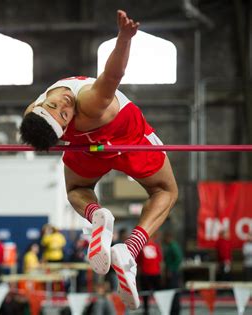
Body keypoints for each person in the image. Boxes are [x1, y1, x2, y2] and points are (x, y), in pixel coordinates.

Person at [19, 10, 178, 310]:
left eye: (56, 105)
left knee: (77, 190)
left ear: (40, 105)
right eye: (64, 115)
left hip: (88, 143)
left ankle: (97, 216)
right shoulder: (88, 103)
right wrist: (124, 40)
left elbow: (32, 134)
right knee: (166, 191)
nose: (64, 104)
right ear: (65, 127)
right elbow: (112, 76)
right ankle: (129, 251)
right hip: (128, 136)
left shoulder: (33, 115)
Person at [138, 235, 162, 315]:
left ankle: (146, 310)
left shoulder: (142, 248)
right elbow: (160, 259)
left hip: (146, 274)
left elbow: (138, 261)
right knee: (158, 294)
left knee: (145, 294)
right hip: (155, 273)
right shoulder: (156, 246)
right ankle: (161, 309)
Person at [163, 231, 182, 315]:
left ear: (169, 237)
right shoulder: (170, 246)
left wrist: (171, 269)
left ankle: (175, 310)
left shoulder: (173, 246)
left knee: (174, 292)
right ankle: (172, 309)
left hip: (173, 272)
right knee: (171, 291)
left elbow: (178, 258)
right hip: (171, 271)